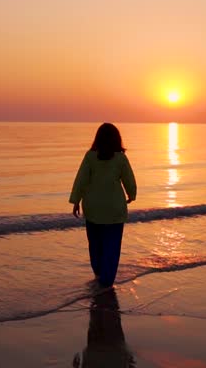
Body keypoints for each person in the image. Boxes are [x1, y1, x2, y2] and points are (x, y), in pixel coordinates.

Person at [70, 123, 137, 287]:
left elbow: (81, 180)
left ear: (97, 138)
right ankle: (106, 281)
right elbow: (129, 180)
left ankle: (99, 274)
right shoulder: (120, 158)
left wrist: (76, 200)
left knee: (95, 245)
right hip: (114, 209)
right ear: (117, 139)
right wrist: (131, 195)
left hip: (93, 208)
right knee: (112, 248)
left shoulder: (90, 156)